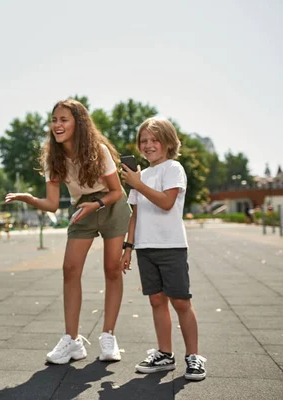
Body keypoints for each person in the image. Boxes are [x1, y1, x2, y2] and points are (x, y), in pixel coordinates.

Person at [5, 99, 131, 364]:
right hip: (82, 208)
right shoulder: (53, 155)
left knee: (112, 269)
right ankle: (72, 341)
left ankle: (108, 336)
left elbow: (117, 191)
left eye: (64, 120)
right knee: (70, 269)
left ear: (78, 123)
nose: (57, 125)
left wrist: (94, 204)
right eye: (54, 120)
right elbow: (51, 205)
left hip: (109, 205)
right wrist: (28, 198)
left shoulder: (98, 150)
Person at [120, 117, 207, 381]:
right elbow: (135, 215)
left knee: (181, 301)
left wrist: (138, 184)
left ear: (168, 142)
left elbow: (167, 202)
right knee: (156, 301)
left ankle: (193, 356)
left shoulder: (173, 168)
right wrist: (128, 247)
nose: (148, 145)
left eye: (154, 139)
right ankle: (165, 354)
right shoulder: (141, 176)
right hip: (145, 247)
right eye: (143, 141)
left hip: (171, 246)